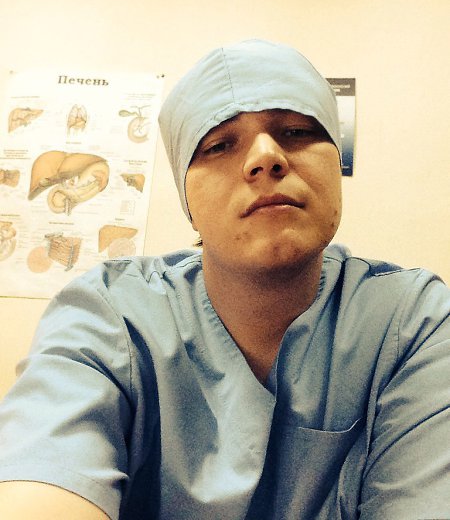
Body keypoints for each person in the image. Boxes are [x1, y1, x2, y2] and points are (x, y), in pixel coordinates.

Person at [0, 39, 449, 520]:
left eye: (297, 131)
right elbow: (43, 479)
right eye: (218, 144)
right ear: (187, 200)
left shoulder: (413, 323)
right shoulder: (107, 316)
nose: (266, 156)